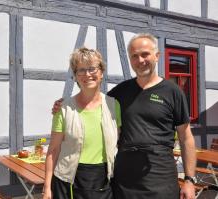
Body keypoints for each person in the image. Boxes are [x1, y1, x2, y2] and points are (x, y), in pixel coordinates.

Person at [52, 33, 197, 199]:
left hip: (160, 175)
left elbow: (186, 138)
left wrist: (189, 180)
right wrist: (64, 104)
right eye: (134, 56)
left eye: (145, 54)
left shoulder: (173, 92)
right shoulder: (120, 92)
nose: (140, 60)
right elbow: (93, 99)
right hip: (125, 178)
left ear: (157, 56)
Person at [43, 47, 121, 199]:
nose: (87, 74)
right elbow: (53, 151)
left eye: (92, 68)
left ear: (101, 73)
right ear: (75, 76)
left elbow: (120, 142)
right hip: (68, 180)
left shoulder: (114, 105)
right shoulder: (63, 108)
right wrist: (47, 188)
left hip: (103, 180)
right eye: (81, 70)